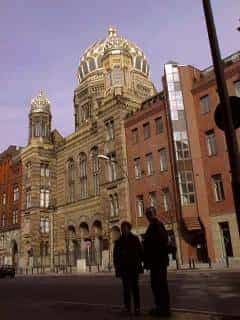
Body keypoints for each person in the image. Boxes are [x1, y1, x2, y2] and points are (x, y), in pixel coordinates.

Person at [143, 207, 171, 318]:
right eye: (147, 215)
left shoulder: (156, 225)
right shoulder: (155, 225)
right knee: (158, 285)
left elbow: (160, 242)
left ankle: (163, 309)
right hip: (157, 262)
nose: (147, 217)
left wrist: (147, 244)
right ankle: (161, 307)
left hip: (158, 262)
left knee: (159, 285)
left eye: (148, 214)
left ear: (152, 214)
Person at [113, 221, 143, 316]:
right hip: (124, 269)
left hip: (133, 268)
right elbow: (116, 256)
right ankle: (127, 308)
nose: (124, 230)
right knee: (126, 289)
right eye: (122, 228)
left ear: (129, 229)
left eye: (125, 228)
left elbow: (140, 252)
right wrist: (117, 268)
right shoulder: (118, 241)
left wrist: (139, 264)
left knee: (135, 289)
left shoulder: (135, 239)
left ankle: (137, 308)